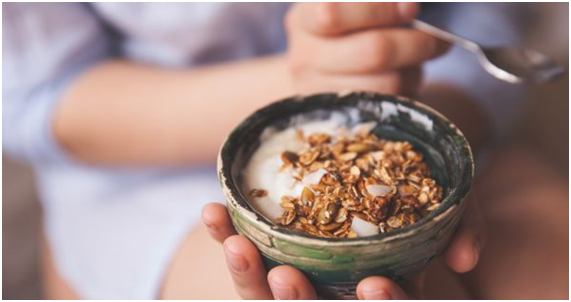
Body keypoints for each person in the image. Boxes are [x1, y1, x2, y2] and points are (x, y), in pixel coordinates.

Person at [3, 2, 567, 300]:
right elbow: (40, 94)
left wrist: (425, 133)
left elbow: (486, 17)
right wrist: (295, 80)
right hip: (143, 158)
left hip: (431, 99)